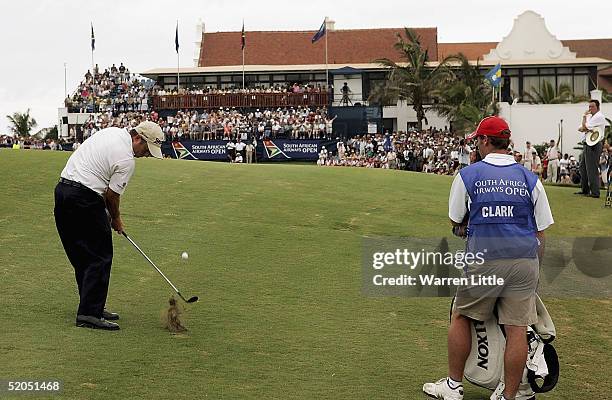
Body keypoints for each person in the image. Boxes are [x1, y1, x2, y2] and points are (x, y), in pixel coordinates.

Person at [423, 116, 554, 400]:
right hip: (524, 261)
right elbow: (541, 233)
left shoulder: (468, 175)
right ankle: (509, 395)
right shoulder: (530, 178)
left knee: (461, 315)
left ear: (484, 141)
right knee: (517, 329)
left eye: (477, 140)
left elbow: (456, 220)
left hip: (486, 258)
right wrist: (535, 275)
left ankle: (454, 386)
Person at [54, 121, 164, 331]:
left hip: (63, 192)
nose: (147, 155)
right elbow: (112, 196)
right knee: (100, 255)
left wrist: (102, 210)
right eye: (147, 150)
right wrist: (116, 219)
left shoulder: (112, 132)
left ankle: (90, 306)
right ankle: (89, 314)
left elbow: (100, 183)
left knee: (83, 255)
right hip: (84, 198)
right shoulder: (126, 159)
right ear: (138, 138)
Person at [576, 99, 608, 198]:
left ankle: (595, 192)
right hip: (587, 143)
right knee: (583, 167)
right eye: (589, 106)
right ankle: (585, 190)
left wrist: (584, 123)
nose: (590, 108)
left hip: (594, 144)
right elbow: (581, 128)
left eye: (592, 106)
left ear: (597, 107)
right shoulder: (590, 116)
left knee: (591, 168)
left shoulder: (599, 116)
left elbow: (584, 127)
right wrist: (585, 118)